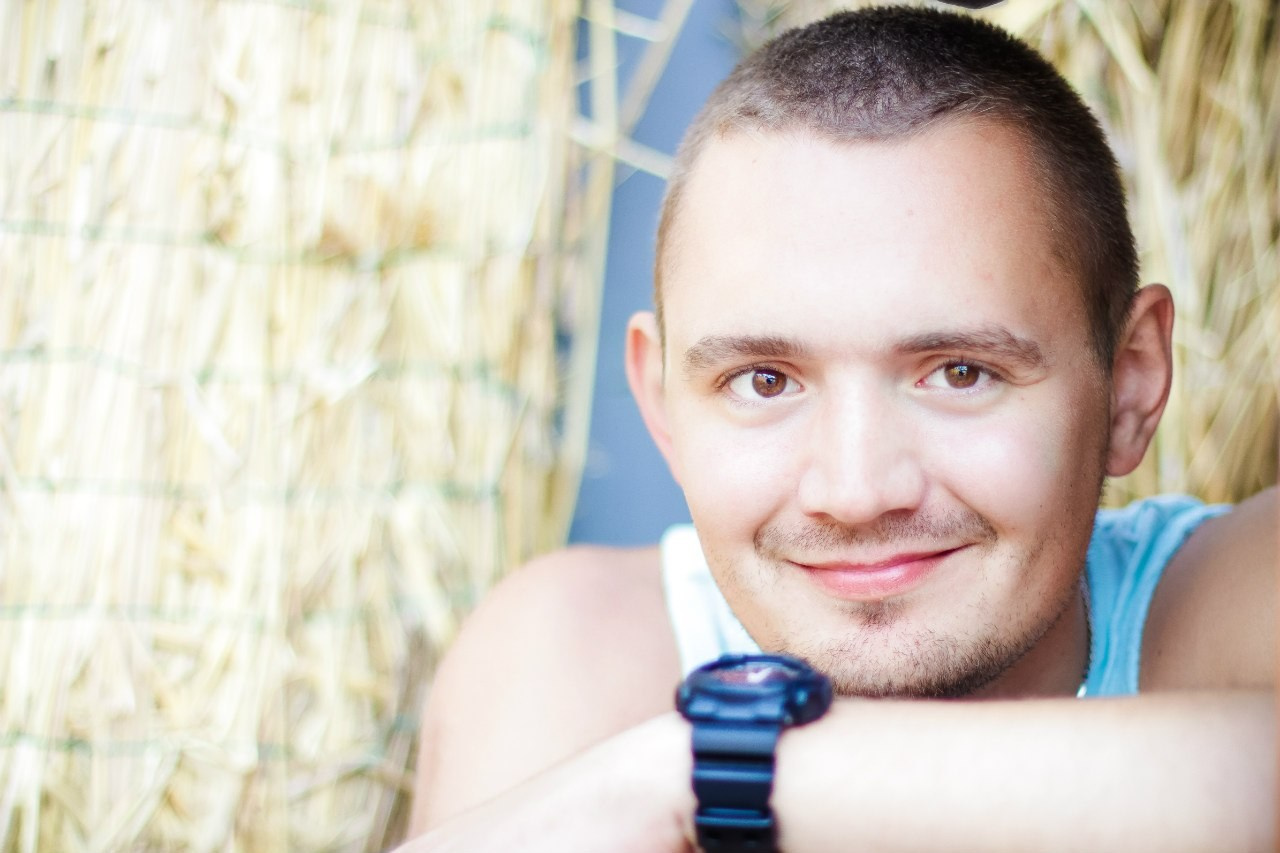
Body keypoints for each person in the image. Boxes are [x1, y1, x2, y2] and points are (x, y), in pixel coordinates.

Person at [400, 7, 1276, 851]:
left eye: (959, 372)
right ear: (663, 405)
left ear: (1131, 385)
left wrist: (700, 776)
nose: (856, 493)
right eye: (765, 381)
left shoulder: (1230, 597)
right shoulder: (576, 645)